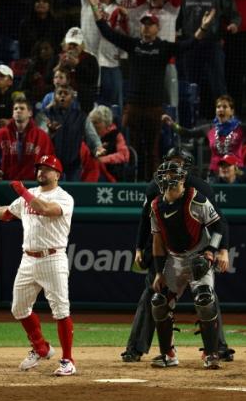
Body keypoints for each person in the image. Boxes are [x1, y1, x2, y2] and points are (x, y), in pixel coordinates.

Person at [88, 0, 216, 180]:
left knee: (152, 151)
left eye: (150, 24)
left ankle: (151, 188)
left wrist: (204, 27)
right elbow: (107, 31)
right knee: (133, 149)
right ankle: (132, 186)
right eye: (144, 24)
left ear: (157, 28)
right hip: (133, 107)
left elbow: (190, 44)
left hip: (154, 108)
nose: (146, 27)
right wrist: (94, 6)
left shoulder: (163, 48)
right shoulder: (134, 45)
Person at [0, 154, 77, 377]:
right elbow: (8, 212)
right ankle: (40, 347)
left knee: (61, 310)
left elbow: (46, 210)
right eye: (39, 168)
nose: (42, 172)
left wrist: (22, 192)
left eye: (47, 169)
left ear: (57, 174)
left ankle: (68, 360)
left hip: (52, 258)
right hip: (28, 258)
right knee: (18, 308)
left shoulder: (64, 197)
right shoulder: (31, 194)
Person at [122, 147, 234, 363]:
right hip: (168, 251)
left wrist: (218, 250)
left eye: (179, 163)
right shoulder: (155, 193)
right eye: (171, 163)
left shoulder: (199, 192)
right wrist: (140, 250)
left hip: (197, 250)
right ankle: (149, 350)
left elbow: (219, 222)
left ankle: (215, 349)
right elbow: (148, 225)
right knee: (155, 297)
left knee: (205, 297)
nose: (173, 170)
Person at [149, 158, 227, 369]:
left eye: (173, 175)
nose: (169, 179)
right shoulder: (156, 205)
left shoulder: (196, 199)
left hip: (198, 255)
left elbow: (218, 226)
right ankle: (168, 354)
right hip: (174, 259)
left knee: (204, 300)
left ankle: (211, 354)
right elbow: (157, 241)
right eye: (166, 175)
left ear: (183, 178)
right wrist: (158, 272)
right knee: (159, 302)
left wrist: (211, 252)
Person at [177, 0, 241, 118]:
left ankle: (227, 122)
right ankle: (190, 121)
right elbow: (178, 17)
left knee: (218, 86)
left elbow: (234, 15)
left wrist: (234, 24)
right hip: (190, 44)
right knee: (190, 86)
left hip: (212, 44)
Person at [0, 95, 54, 181]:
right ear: (12, 113)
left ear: (30, 113)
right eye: (15, 109)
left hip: (33, 186)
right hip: (6, 185)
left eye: (22, 108)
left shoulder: (42, 137)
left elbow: (50, 160)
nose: (18, 111)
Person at [43, 85, 104, 181]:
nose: (62, 96)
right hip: (52, 163)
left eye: (66, 94)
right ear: (55, 97)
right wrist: (50, 132)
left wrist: (98, 147)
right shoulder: (47, 114)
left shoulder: (81, 116)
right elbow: (40, 138)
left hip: (74, 164)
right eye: (59, 93)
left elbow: (92, 135)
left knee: (72, 193)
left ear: (72, 98)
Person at [88, 104, 129, 182]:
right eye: (91, 122)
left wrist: (104, 159)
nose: (92, 126)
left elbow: (124, 155)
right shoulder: (88, 135)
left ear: (106, 123)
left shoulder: (116, 135)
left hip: (110, 172)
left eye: (96, 122)